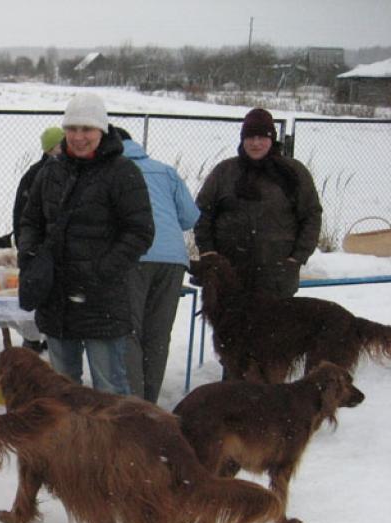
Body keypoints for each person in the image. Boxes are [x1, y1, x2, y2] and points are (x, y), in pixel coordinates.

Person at [17, 92, 154, 395]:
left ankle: (110, 431)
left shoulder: (123, 173)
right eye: (72, 128)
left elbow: (140, 232)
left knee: (109, 390)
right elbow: (30, 221)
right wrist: (31, 255)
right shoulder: (51, 171)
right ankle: (70, 430)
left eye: (87, 129)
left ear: (102, 130)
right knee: (62, 390)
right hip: (57, 299)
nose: (79, 137)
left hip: (102, 301)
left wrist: (101, 270)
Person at [194, 107, 322, 299]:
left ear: (272, 139)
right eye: (250, 137)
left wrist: (296, 259)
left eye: (262, 137)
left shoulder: (293, 173)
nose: (255, 143)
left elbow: (311, 216)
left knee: (272, 319)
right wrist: (208, 253)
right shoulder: (224, 172)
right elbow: (202, 213)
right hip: (228, 275)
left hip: (276, 276)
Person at [116, 127, 200, 404]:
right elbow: (190, 217)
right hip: (172, 260)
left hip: (133, 255)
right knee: (158, 333)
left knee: (129, 331)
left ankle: (135, 403)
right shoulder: (165, 171)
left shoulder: (112, 171)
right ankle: (149, 402)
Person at [13, 125, 64, 246]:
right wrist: (23, 242)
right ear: (50, 149)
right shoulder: (36, 173)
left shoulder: (70, 169)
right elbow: (21, 211)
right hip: (40, 241)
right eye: (61, 145)